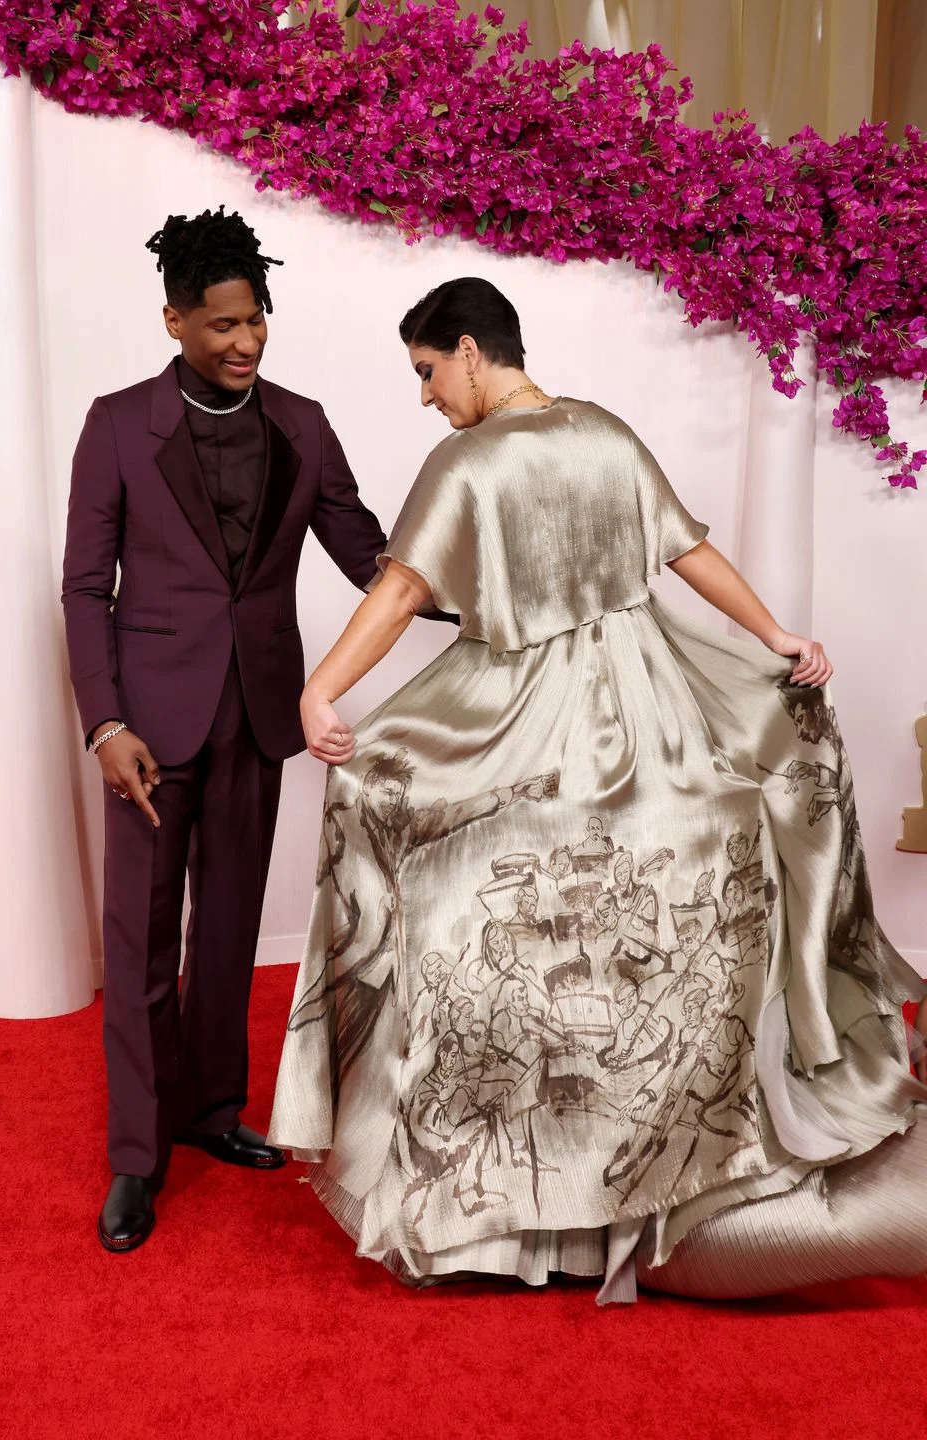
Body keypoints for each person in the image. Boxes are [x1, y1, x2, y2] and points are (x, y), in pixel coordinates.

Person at [268, 276, 927, 1302]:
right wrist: (774, 637)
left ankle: (502, 1215)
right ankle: (634, 1190)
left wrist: (321, 691)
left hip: (524, 707)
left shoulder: (467, 462)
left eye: (430, 371)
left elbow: (398, 592)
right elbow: (690, 557)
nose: (429, 396)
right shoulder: (608, 436)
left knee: (419, 850)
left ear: (475, 351)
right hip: (649, 705)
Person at [62, 207, 448, 1254]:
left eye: (257, 321)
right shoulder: (115, 424)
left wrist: (476, 580)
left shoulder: (303, 424)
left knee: (227, 932)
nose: (244, 341)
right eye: (223, 324)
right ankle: (138, 1156)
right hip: (146, 723)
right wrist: (105, 721)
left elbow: (368, 552)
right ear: (175, 320)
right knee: (140, 941)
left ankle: (208, 1111)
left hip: (256, 714)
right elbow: (83, 587)